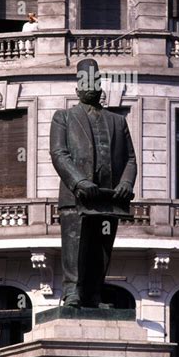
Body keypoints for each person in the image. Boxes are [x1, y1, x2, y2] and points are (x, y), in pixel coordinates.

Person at [49, 58, 137, 308]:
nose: (90, 87)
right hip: (77, 197)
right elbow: (59, 153)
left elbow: (130, 159)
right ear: (77, 89)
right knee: (75, 246)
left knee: (102, 248)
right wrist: (78, 181)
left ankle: (94, 294)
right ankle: (72, 292)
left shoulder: (118, 121)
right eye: (85, 82)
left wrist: (127, 183)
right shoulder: (63, 117)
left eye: (94, 81)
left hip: (110, 199)